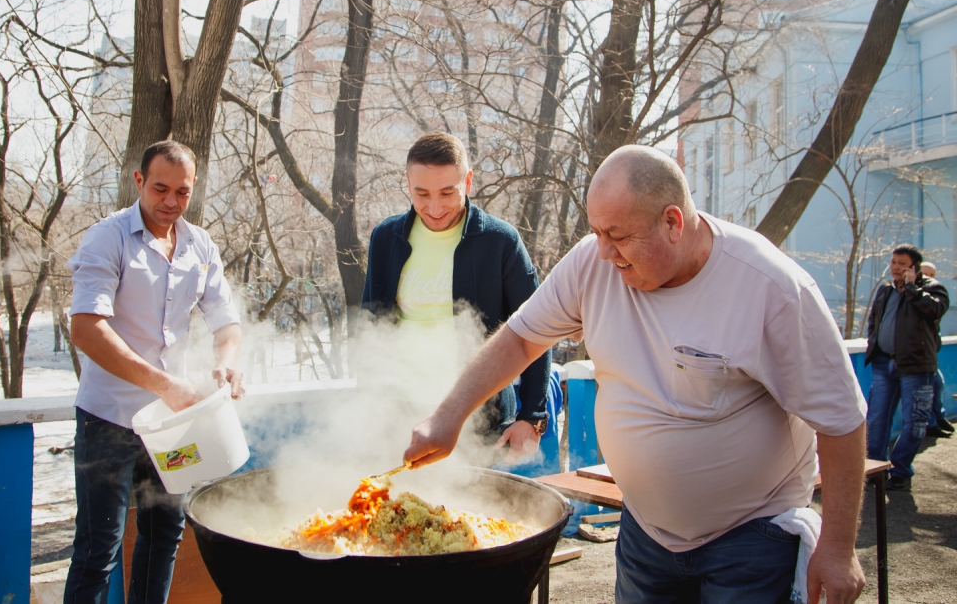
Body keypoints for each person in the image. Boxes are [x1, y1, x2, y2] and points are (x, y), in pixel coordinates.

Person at [406, 145, 869, 603]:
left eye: (619, 236)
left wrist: (838, 547)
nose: (604, 252)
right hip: (645, 535)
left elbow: (842, 420)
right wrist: (449, 416)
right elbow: (520, 339)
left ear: (673, 222)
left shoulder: (771, 288)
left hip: (751, 539)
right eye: (596, 232)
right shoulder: (592, 263)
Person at [64, 140, 243, 604]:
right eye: (160, 188)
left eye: (182, 192)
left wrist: (226, 363)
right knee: (97, 550)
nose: (171, 201)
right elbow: (86, 329)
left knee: (165, 534)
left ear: (194, 188)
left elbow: (226, 322)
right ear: (139, 180)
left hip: (171, 426)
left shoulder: (200, 244)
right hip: (109, 419)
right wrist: (165, 385)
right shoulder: (108, 238)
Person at [362, 132, 550, 461]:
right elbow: (370, 327)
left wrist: (532, 416)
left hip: (481, 420)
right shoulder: (385, 238)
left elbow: (538, 328)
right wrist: (366, 409)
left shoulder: (501, 241)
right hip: (400, 415)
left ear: (468, 182)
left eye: (447, 193)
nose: (434, 208)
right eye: (422, 193)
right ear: (408, 184)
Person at [865, 246, 950, 491]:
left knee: (915, 423)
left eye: (902, 263)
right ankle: (875, 470)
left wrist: (912, 288)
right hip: (884, 364)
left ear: (914, 267)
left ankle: (901, 470)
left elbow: (935, 310)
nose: (895, 267)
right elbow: (874, 321)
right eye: (893, 262)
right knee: (877, 419)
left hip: (916, 367)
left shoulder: (932, 289)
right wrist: (875, 343)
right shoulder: (885, 290)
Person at [918, 261, 954, 438]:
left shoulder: (936, 298)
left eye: (931, 275)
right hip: (915, 356)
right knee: (929, 387)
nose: (928, 278)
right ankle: (932, 422)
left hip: (930, 354)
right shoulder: (914, 295)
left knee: (938, 383)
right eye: (925, 274)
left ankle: (938, 416)